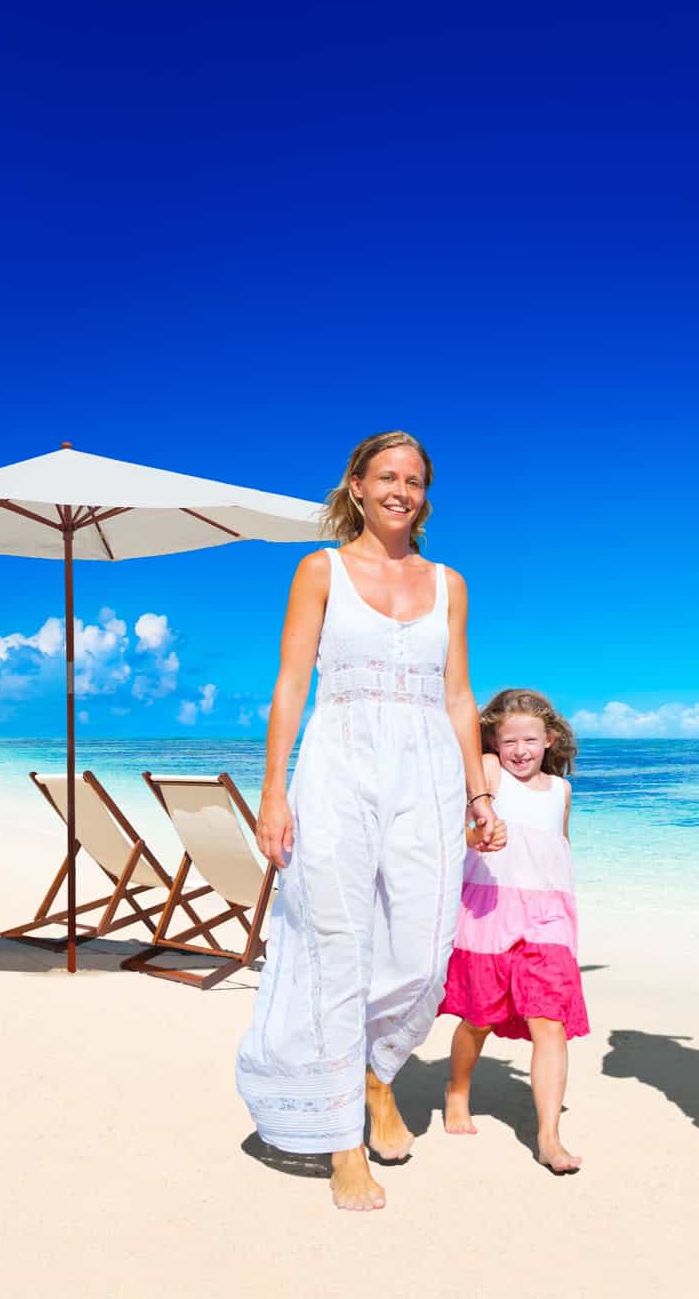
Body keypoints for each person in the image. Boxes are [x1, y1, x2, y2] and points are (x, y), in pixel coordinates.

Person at [236, 430, 500, 1213]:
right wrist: (272, 790)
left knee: (424, 951)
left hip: (427, 772)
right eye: (387, 475)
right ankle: (343, 1137)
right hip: (339, 764)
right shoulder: (320, 570)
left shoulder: (449, 583)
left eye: (414, 480)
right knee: (338, 946)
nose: (401, 490)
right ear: (356, 485)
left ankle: (374, 1071)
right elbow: (290, 684)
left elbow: (459, 695)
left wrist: (479, 791)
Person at [439, 688, 589, 1173]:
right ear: (493, 742)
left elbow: (558, 849)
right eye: (509, 741)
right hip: (489, 909)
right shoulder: (488, 771)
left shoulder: (562, 791)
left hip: (549, 916)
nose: (520, 750)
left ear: (550, 740)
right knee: (479, 1017)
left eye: (530, 739)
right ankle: (457, 1089)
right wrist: (476, 837)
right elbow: (453, 833)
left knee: (550, 1019)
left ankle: (548, 1136)